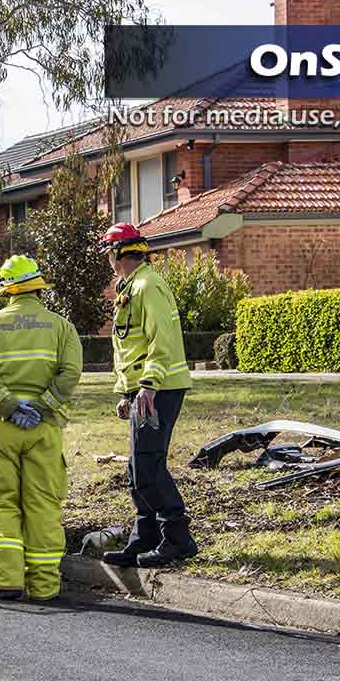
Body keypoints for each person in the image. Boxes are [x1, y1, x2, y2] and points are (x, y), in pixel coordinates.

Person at [0, 254, 83, 601]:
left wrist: (9, 406)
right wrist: (42, 407)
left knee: (1, 502)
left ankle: (4, 581)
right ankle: (45, 586)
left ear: (7, 290)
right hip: (43, 428)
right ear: (38, 288)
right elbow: (70, 373)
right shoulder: (61, 327)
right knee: (43, 503)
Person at [98, 223, 198, 568]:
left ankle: (178, 539)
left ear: (116, 254)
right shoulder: (132, 285)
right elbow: (131, 346)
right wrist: (126, 391)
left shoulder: (148, 285)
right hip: (145, 390)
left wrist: (148, 385)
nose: (108, 262)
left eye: (108, 254)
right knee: (136, 467)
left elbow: (162, 338)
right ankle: (145, 538)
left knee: (148, 467)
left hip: (160, 389)